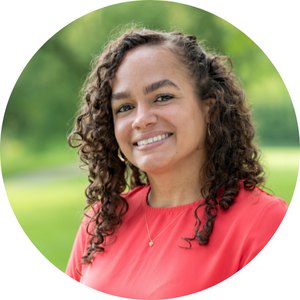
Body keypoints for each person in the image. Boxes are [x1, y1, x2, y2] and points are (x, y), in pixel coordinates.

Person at [66, 27, 288, 299]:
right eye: (124, 107)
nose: (141, 119)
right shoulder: (101, 221)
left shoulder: (263, 221)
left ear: (209, 107)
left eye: (162, 97)